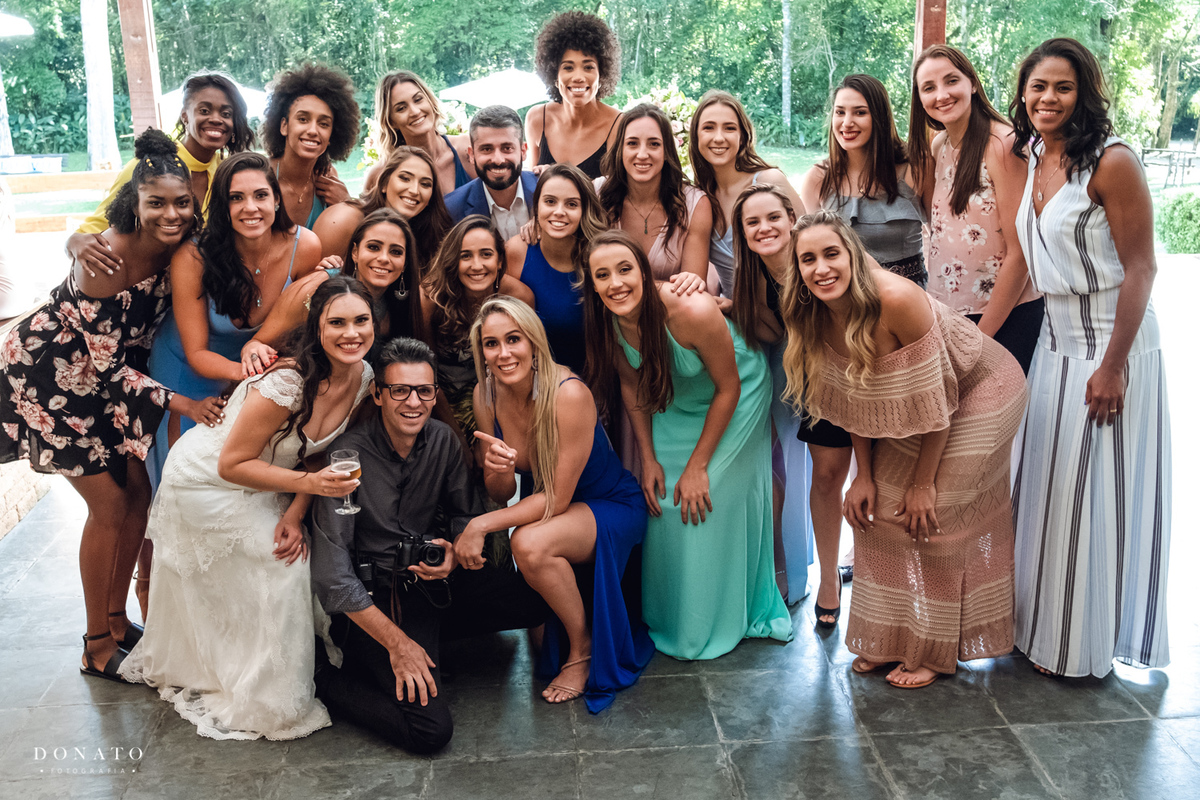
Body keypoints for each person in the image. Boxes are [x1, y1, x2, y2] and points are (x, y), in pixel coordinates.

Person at [0, 130, 225, 682]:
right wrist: (184, 403)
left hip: (104, 381)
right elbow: (108, 369)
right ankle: (95, 644)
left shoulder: (182, 248)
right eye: (156, 203)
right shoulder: (105, 262)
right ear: (134, 203)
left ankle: (118, 622)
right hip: (49, 376)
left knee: (139, 495)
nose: (171, 214)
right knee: (109, 506)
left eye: (181, 203)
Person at [120, 276, 377, 739]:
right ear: (316, 327)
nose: (351, 333)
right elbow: (232, 463)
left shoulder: (364, 377)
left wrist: (296, 512)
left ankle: (286, 666)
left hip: (274, 478)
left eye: (361, 321)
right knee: (281, 564)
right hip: (205, 482)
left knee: (297, 548)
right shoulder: (286, 381)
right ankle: (256, 686)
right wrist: (310, 486)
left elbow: (316, 453)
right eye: (337, 323)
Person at [782, 209, 1027, 689]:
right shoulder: (813, 315)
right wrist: (863, 476)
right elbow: (854, 401)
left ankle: (933, 651)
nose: (821, 268)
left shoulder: (895, 298)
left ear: (853, 256)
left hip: (982, 389)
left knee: (933, 514)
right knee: (873, 511)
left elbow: (940, 400)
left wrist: (922, 483)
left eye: (831, 254)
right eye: (808, 259)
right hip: (919, 404)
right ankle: (891, 638)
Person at [1010, 38, 1172, 679]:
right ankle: (1038, 631)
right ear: (1023, 94)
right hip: (1054, 346)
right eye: (1038, 86)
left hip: (1112, 345)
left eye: (1063, 87)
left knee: (1094, 498)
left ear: (1085, 95)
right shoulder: (1035, 154)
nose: (1048, 98)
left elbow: (1142, 268)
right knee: (1047, 493)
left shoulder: (1113, 162)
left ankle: (1081, 646)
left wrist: (1113, 367)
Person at [309, 336, 548, 753]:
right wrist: (399, 645)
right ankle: (323, 678)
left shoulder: (442, 440)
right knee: (430, 731)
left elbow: (463, 515)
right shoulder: (347, 457)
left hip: (431, 584)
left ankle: (430, 647)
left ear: (435, 395)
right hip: (376, 598)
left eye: (423, 391)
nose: (413, 402)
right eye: (400, 390)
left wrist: (453, 552)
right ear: (378, 394)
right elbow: (332, 577)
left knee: (537, 599)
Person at [583, 230, 792, 660]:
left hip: (737, 392)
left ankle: (725, 613)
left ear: (644, 273)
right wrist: (648, 458)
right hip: (677, 396)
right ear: (592, 284)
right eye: (602, 275)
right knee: (664, 500)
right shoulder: (606, 318)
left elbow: (729, 388)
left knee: (705, 496)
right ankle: (672, 615)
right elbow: (631, 384)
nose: (615, 283)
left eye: (624, 270)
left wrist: (698, 465)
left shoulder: (690, 310)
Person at [460, 295, 653, 709]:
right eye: (491, 344)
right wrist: (497, 469)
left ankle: (582, 650)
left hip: (608, 503)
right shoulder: (485, 395)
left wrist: (479, 525)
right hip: (552, 508)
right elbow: (500, 492)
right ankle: (572, 635)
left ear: (533, 342)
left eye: (513, 339)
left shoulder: (568, 393)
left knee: (527, 542)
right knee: (535, 617)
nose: (503, 353)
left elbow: (557, 499)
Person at [798, 74, 928, 590]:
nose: (847, 123)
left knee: (892, 463)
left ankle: (884, 574)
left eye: (859, 112)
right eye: (839, 113)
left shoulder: (913, 169)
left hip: (902, 328)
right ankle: (829, 577)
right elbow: (806, 254)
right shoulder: (819, 179)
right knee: (829, 468)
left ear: (879, 116)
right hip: (834, 331)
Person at [146, 152, 321, 488]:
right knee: (182, 476)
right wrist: (249, 373)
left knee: (236, 472)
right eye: (236, 198)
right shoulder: (193, 256)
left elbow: (298, 319)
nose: (250, 208)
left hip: (254, 366)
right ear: (222, 207)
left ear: (276, 199)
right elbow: (197, 353)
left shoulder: (306, 247)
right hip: (186, 367)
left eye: (260, 195)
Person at [910, 44, 1043, 374]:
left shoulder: (1002, 144)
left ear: (972, 82)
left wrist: (979, 339)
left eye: (951, 80)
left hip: (1001, 316)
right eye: (929, 87)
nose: (941, 94)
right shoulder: (939, 145)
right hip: (949, 313)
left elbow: (1020, 254)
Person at [66, 72, 255, 277]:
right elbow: (88, 233)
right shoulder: (149, 166)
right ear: (185, 116)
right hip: (139, 284)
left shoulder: (225, 171)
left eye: (226, 114)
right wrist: (74, 242)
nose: (216, 119)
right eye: (204, 110)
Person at [728, 185, 815, 608]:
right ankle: (789, 571)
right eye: (753, 222)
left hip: (836, 368)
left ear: (792, 219)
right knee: (789, 471)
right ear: (742, 233)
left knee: (827, 476)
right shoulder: (753, 276)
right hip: (787, 372)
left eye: (773, 217)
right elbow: (775, 332)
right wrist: (732, 307)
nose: (764, 228)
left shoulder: (814, 258)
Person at [246, 209, 424, 361]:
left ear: (405, 263)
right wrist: (255, 353)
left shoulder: (403, 305)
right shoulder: (314, 290)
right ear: (355, 252)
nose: (384, 258)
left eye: (395, 252)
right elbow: (258, 343)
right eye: (373, 247)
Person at [420, 216, 534, 446]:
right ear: (453, 260)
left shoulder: (519, 297)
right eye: (465, 256)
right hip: (442, 404)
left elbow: (530, 365)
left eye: (486, 254)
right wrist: (457, 437)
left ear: (500, 260)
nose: (477, 265)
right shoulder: (431, 298)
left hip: (502, 398)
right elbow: (425, 373)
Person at [688, 90, 804, 298]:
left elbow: (810, 242)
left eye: (729, 128)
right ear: (696, 136)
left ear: (742, 136)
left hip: (788, 304)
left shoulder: (769, 181)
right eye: (708, 127)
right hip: (732, 310)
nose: (719, 138)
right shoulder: (699, 199)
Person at [504, 163, 606, 376]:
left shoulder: (600, 257)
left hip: (591, 378)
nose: (559, 212)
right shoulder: (517, 251)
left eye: (571, 204)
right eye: (550, 201)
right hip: (531, 377)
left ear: (584, 210)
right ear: (537, 205)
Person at [597, 103, 713, 283]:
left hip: (676, 302)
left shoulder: (695, 205)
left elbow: (691, 289)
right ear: (620, 149)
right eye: (632, 143)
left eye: (654, 144)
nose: (642, 154)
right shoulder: (597, 193)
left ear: (666, 151)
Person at [313, 146, 452, 271]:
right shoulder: (344, 219)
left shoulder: (429, 235)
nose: (415, 190)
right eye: (405, 178)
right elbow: (308, 283)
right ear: (384, 184)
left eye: (425, 184)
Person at [260, 63, 359, 229]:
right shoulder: (261, 175)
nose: (313, 130)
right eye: (303, 119)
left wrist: (346, 203)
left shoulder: (328, 177)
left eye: (323, 124)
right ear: (284, 126)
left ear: (332, 135)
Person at [527, 11, 623, 180]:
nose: (578, 77)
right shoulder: (537, 119)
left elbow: (619, 190)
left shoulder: (619, 125)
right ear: (554, 75)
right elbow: (531, 187)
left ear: (602, 74)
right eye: (568, 68)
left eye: (588, 67)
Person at [363, 70, 474, 196]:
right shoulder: (380, 174)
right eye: (401, 108)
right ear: (391, 121)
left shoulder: (467, 148)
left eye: (418, 99)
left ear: (430, 101)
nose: (415, 112)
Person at [444, 105, 539, 239]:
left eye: (507, 148)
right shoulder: (451, 210)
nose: (498, 160)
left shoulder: (547, 190)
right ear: (471, 155)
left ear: (523, 151)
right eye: (487, 149)